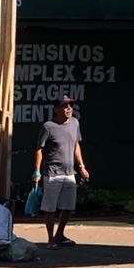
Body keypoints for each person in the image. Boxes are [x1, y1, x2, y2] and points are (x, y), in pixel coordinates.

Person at [32, 95, 89, 247]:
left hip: (70, 173)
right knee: (50, 208)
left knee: (68, 207)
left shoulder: (75, 123)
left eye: (70, 105)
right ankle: (50, 239)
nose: (69, 108)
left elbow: (76, 145)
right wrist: (36, 172)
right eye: (65, 106)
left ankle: (59, 235)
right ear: (56, 109)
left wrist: (81, 166)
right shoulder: (48, 127)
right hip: (52, 173)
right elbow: (39, 150)